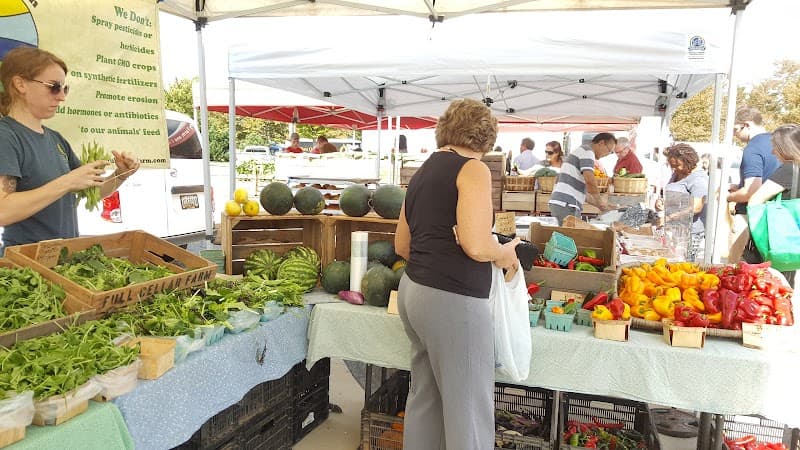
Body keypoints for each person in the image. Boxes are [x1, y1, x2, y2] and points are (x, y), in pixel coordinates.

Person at [394, 98, 519, 450]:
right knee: (468, 411)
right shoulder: (474, 169)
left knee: (425, 399)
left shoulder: (424, 170)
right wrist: (505, 253)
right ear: (486, 137)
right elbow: (477, 246)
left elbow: (402, 245)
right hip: (454, 302)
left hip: (414, 291)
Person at [0, 47, 140, 251]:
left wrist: (121, 175)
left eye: (64, 89)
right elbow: (3, 211)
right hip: (26, 267)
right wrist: (66, 182)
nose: (61, 97)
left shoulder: (56, 140)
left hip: (64, 258)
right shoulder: (7, 136)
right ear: (20, 84)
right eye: (54, 87)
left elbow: (90, 192)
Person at [747, 124, 800, 286]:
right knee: (783, 292)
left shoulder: (789, 168)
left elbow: (755, 200)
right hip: (790, 247)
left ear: (785, 147)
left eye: (775, 147)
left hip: (774, 244)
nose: (772, 152)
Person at [727, 107, 780, 263]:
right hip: (773, 215)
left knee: (736, 269)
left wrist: (728, 197)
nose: (734, 134)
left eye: (736, 129)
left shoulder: (753, 148)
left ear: (747, 125)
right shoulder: (778, 143)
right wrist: (739, 186)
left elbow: (751, 191)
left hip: (749, 217)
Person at [655, 144, 708, 262]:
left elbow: (696, 207)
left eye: (677, 165)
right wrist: (661, 201)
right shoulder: (677, 174)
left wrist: (669, 217)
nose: (675, 169)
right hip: (674, 231)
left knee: (683, 264)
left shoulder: (699, 179)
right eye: (672, 166)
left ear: (688, 161)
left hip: (689, 233)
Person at [548, 133, 616, 225]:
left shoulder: (582, 151)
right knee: (569, 236)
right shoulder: (587, 152)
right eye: (609, 150)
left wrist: (602, 205)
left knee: (568, 236)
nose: (607, 154)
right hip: (566, 204)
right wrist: (600, 202)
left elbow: (583, 193)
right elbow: (590, 180)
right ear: (601, 143)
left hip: (563, 203)